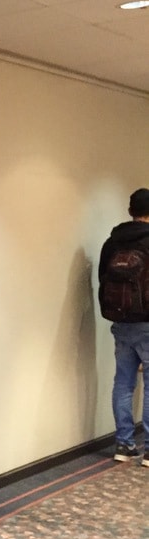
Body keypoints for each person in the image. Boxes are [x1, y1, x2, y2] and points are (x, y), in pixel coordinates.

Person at [98, 187, 149, 466]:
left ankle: (124, 444)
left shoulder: (112, 242)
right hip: (148, 323)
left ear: (131, 211)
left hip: (121, 321)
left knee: (123, 382)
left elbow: (102, 280)